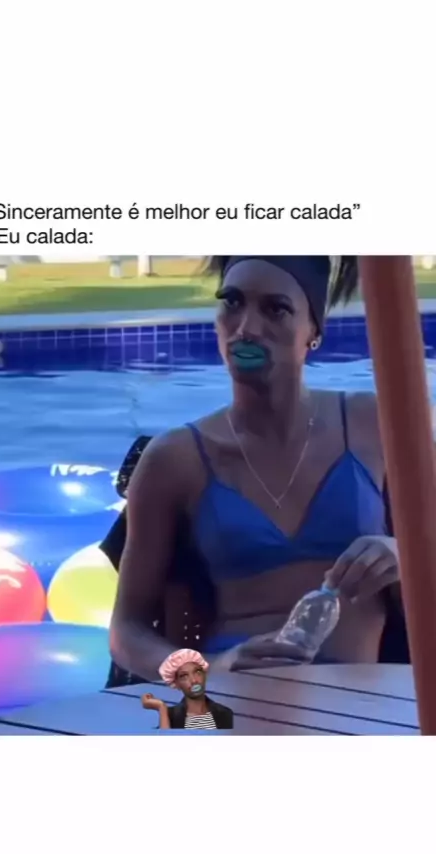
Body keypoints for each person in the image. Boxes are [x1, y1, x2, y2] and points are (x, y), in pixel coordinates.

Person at [110, 256, 402, 681]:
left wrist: (403, 554)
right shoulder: (174, 459)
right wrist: (209, 669)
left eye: (275, 309)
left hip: (362, 699)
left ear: (313, 332)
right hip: (237, 697)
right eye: (232, 302)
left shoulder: (375, 424)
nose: (246, 328)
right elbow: (126, 631)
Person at [141, 649, 234, 729]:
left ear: (205, 675)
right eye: (184, 676)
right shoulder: (170, 717)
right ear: (176, 684)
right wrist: (161, 708)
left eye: (197, 672)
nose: (194, 680)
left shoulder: (225, 713)